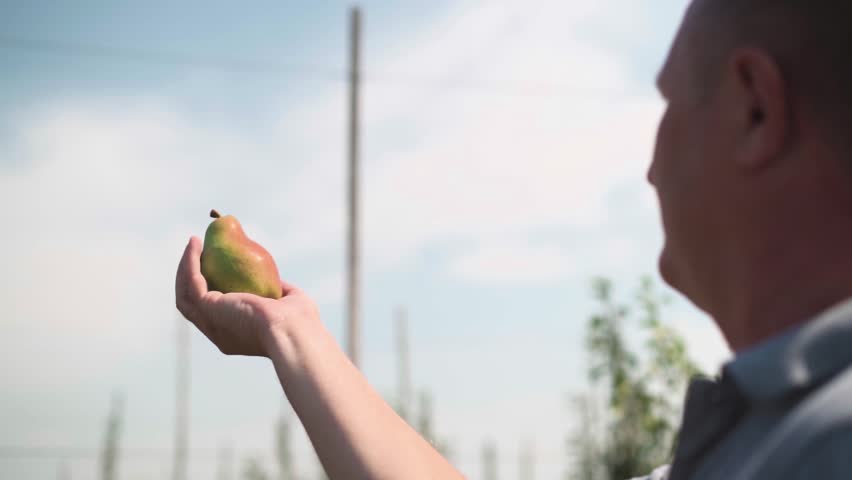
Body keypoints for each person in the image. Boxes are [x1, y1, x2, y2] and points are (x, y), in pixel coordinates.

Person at [176, 0, 852, 478]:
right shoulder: (771, 440)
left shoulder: (828, 443)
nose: (649, 169)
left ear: (755, 109)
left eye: (671, 103)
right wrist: (292, 332)